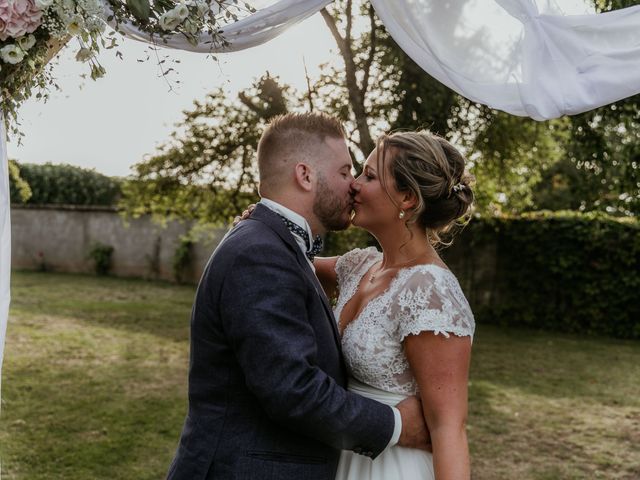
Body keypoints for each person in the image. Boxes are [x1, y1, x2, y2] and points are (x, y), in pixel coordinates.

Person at [166, 112, 429, 480]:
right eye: (344, 171)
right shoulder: (261, 253)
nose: (353, 185)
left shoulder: (271, 242)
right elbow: (292, 388)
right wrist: (397, 425)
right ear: (305, 175)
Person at [314, 130, 476, 480]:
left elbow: (449, 429)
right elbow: (290, 260)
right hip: (345, 457)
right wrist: (266, 222)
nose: (354, 185)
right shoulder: (359, 266)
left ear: (406, 198)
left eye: (369, 176)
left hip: (393, 468)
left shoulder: (432, 291)